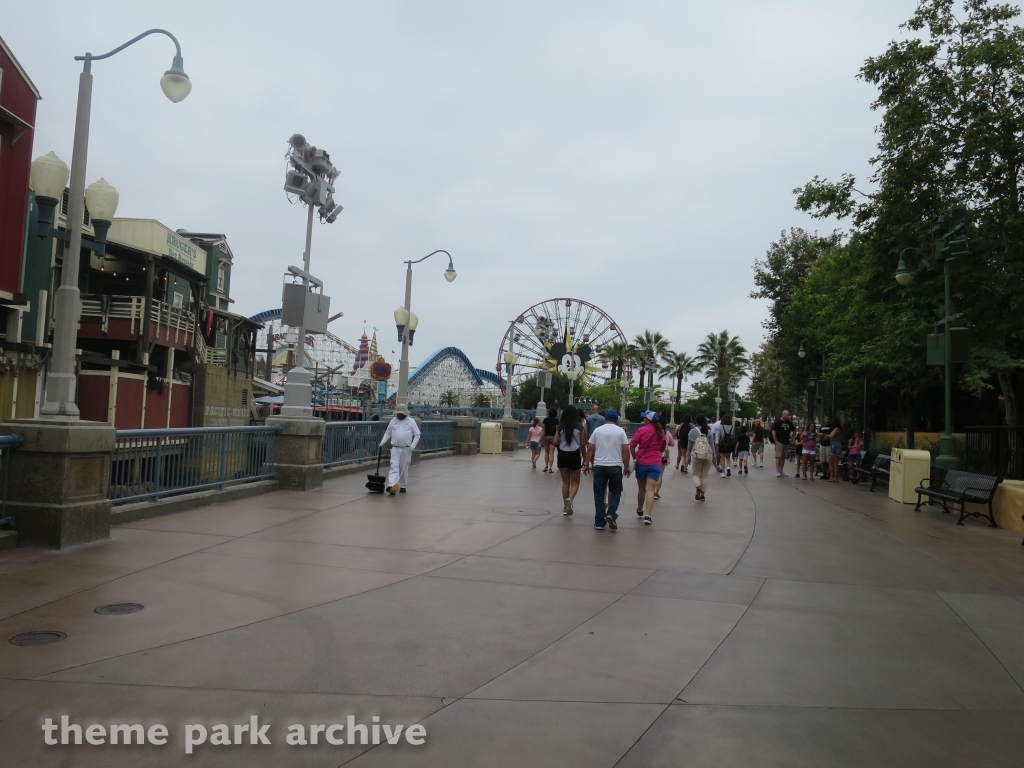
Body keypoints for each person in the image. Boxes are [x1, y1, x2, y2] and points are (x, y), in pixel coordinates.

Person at [585, 410, 631, 530]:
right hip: (615, 466)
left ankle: (599, 522)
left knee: (599, 493)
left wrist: (586, 464)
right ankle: (611, 513)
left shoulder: (597, 430)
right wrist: (626, 466)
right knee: (616, 491)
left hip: (599, 465)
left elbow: (590, 448)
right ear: (617, 421)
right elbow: (626, 450)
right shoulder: (621, 431)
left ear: (605, 419)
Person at [630, 411, 666, 525]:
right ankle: (648, 515)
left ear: (648, 420)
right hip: (655, 463)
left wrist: (634, 456)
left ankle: (640, 509)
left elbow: (632, 445)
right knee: (650, 489)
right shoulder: (662, 432)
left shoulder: (641, 430)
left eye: (645, 418)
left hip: (642, 462)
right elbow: (662, 447)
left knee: (641, 488)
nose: (643, 420)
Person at [380, 404, 421, 495]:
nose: (399, 415)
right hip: (395, 448)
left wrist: (412, 446)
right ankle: (392, 485)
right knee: (394, 466)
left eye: (401, 414)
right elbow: (388, 433)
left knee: (403, 467)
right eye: (398, 414)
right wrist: (383, 441)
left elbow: (417, 434)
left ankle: (403, 486)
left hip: (406, 449)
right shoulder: (393, 421)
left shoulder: (411, 421)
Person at [555, 405, 586, 514]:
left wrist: (561, 442)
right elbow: (582, 445)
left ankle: (565, 507)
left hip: (562, 455)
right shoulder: (580, 428)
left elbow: (555, 441)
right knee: (576, 482)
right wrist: (585, 459)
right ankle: (570, 499)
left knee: (565, 482)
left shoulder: (561, 427)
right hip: (574, 455)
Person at [688, 415, 715, 501]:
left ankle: (698, 486)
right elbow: (712, 445)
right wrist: (714, 457)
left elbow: (689, 446)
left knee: (696, 474)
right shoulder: (708, 431)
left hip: (696, 455)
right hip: (708, 454)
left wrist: (688, 456)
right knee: (704, 475)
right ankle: (703, 495)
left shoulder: (692, 432)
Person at [653, 416, 675, 500]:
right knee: (660, 475)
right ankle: (656, 492)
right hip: (662, 456)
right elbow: (672, 443)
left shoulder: (652, 432)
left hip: (652, 455)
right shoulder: (666, 433)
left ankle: (650, 490)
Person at [771, 410, 795, 477]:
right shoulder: (778, 422)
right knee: (778, 456)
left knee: (783, 457)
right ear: (783, 414)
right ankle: (777, 471)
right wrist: (775, 440)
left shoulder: (789, 423)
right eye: (787, 415)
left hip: (786, 442)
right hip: (779, 441)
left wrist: (791, 439)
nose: (788, 416)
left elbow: (794, 430)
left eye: (788, 415)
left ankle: (781, 470)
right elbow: (773, 431)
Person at [826, 416, 843, 482]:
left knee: (834, 462)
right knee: (832, 462)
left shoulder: (836, 429)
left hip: (835, 446)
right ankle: (833, 476)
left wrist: (824, 434)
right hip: (835, 446)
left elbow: (831, 436)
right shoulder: (837, 429)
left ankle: (834, 477)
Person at [542, 407, 559, 472]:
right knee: (551, 453)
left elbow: (543, 430)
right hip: (553, 437)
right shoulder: (556, 420)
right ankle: (550, 468)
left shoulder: (545, 420)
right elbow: (557, 430)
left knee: (546, 452)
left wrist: (541, 438)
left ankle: (546, 466)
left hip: (546, 436)